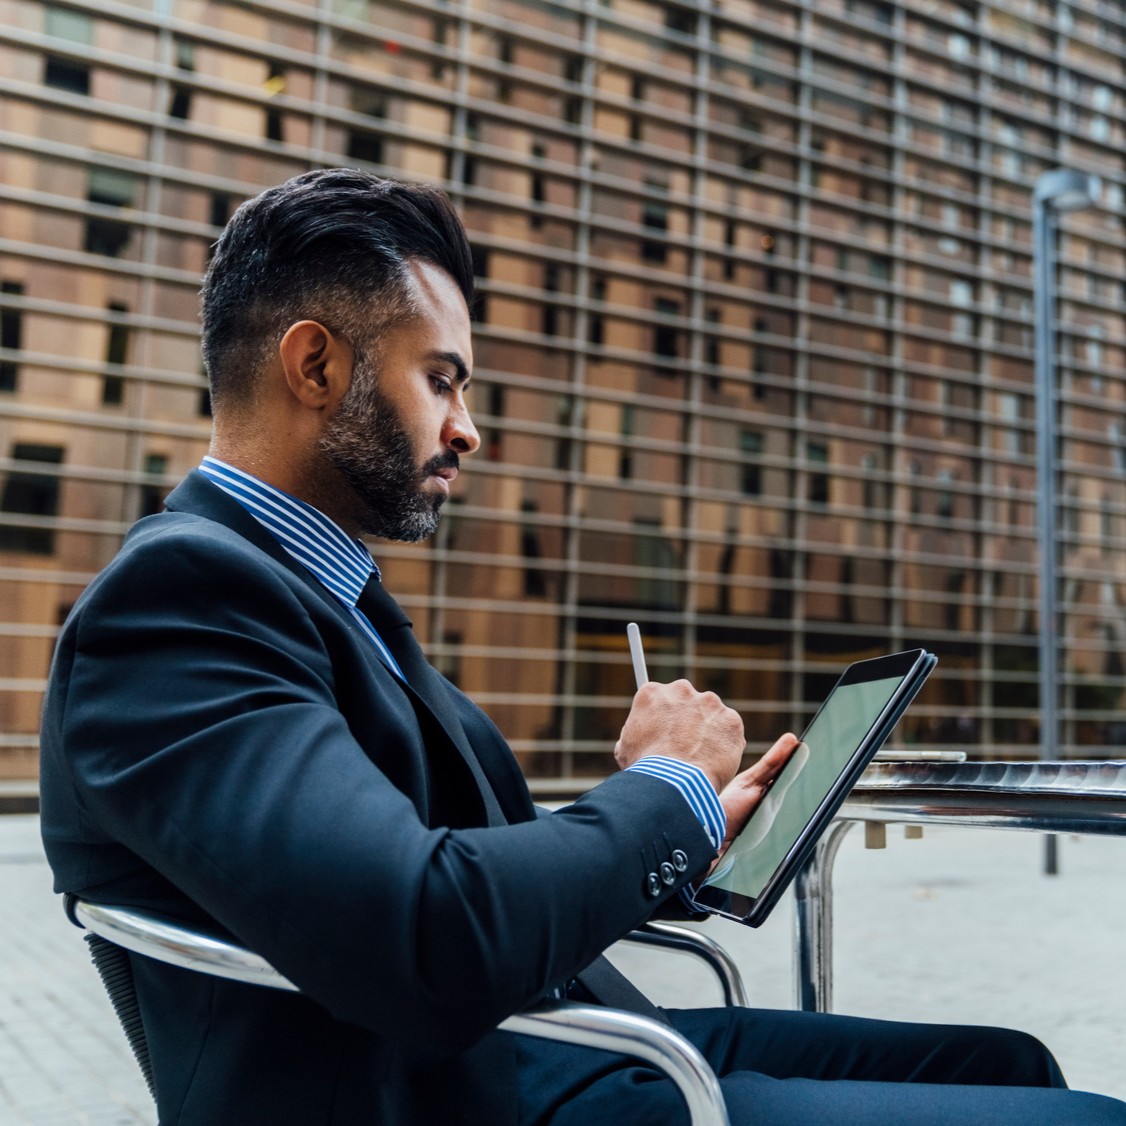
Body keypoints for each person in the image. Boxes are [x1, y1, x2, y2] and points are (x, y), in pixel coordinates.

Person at [38, 168, 1126, 1125]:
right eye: (443, 378)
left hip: (550, 1043)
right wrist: (664, 787)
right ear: (315, 366)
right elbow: (426, 932)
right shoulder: (179, 603)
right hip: (478, 1088)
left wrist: (692, 828)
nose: (465, 428)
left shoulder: (311, 593)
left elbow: (430, 863)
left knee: (1008, 1062)